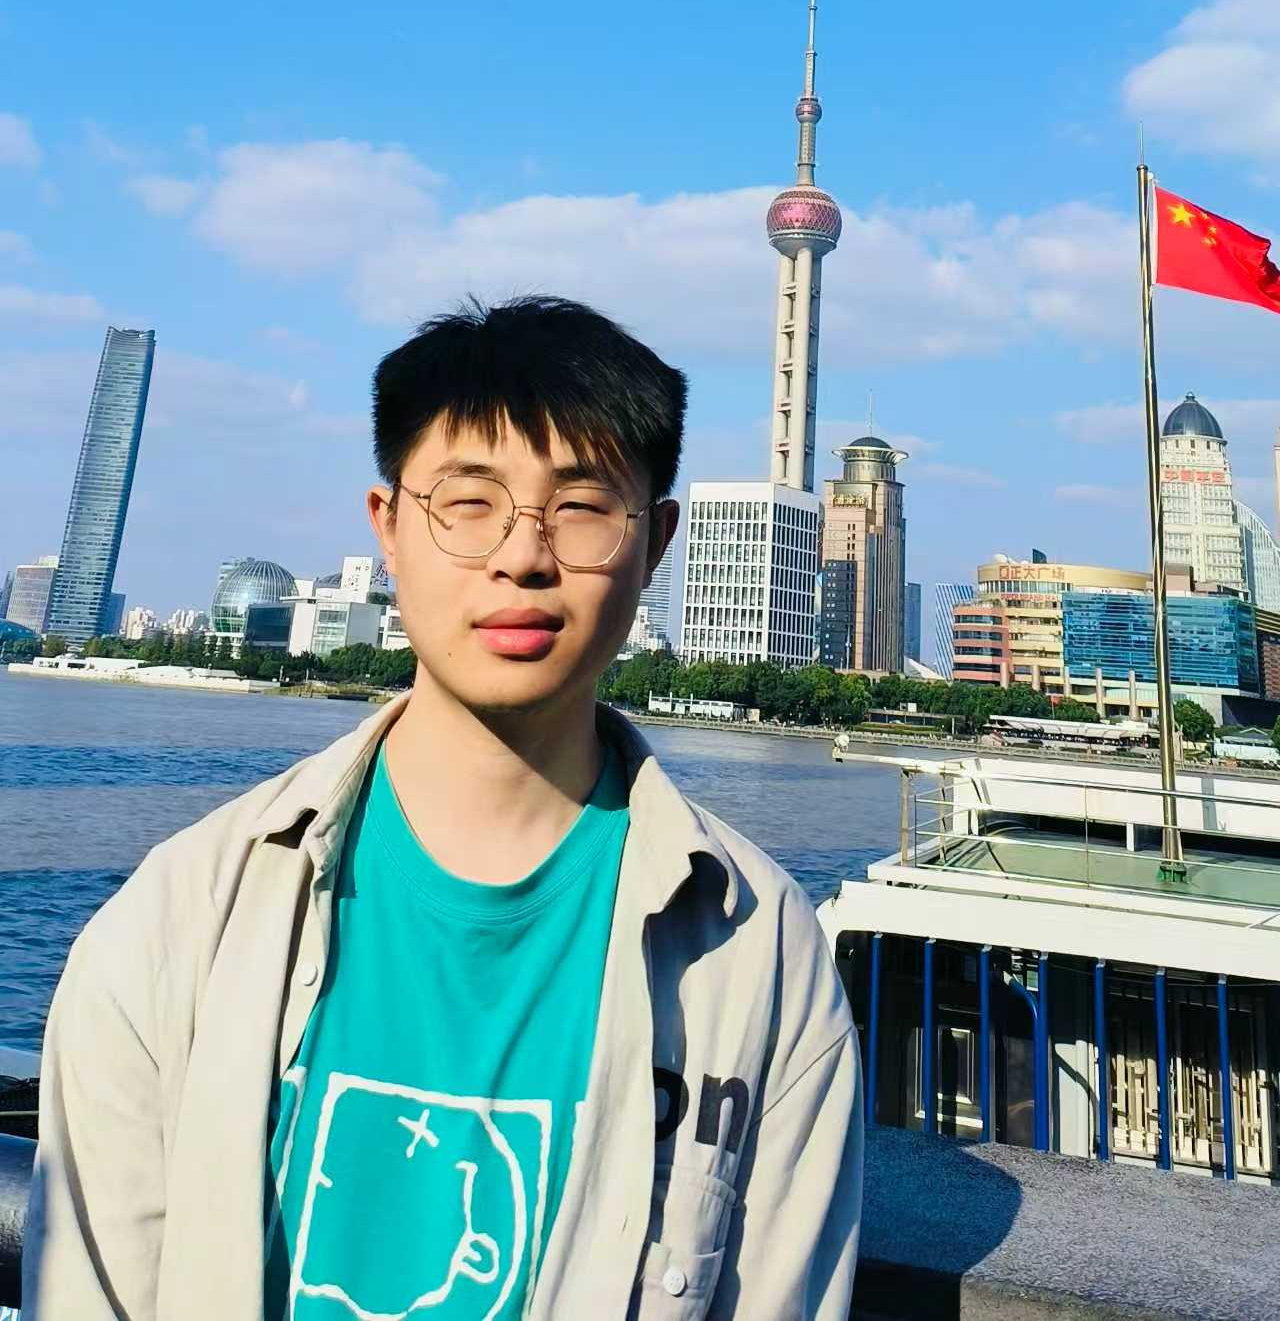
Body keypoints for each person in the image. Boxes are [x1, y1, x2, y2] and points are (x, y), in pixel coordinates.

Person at [24, 294, 862, 1320]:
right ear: (388, 527)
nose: (523, 555)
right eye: (468, 502)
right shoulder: (180, 920)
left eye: (582, 505)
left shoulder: (760, 955)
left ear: (654, 545)